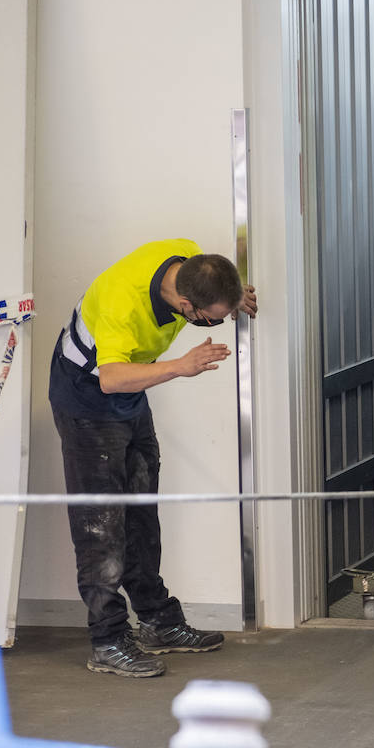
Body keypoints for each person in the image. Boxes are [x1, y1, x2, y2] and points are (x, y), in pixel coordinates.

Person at [48, 239, 257, 677]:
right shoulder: (123, 307)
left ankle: (158, 622)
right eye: (212, 320)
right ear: (186, 304)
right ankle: (107, 641)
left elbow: (212, 283)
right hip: (88, 395)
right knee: (101, 524)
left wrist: (233, 297)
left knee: (142, 512)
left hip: (131, 392)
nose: (216, 324)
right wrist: (180, 366)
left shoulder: (186, 257)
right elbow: (111, 378)